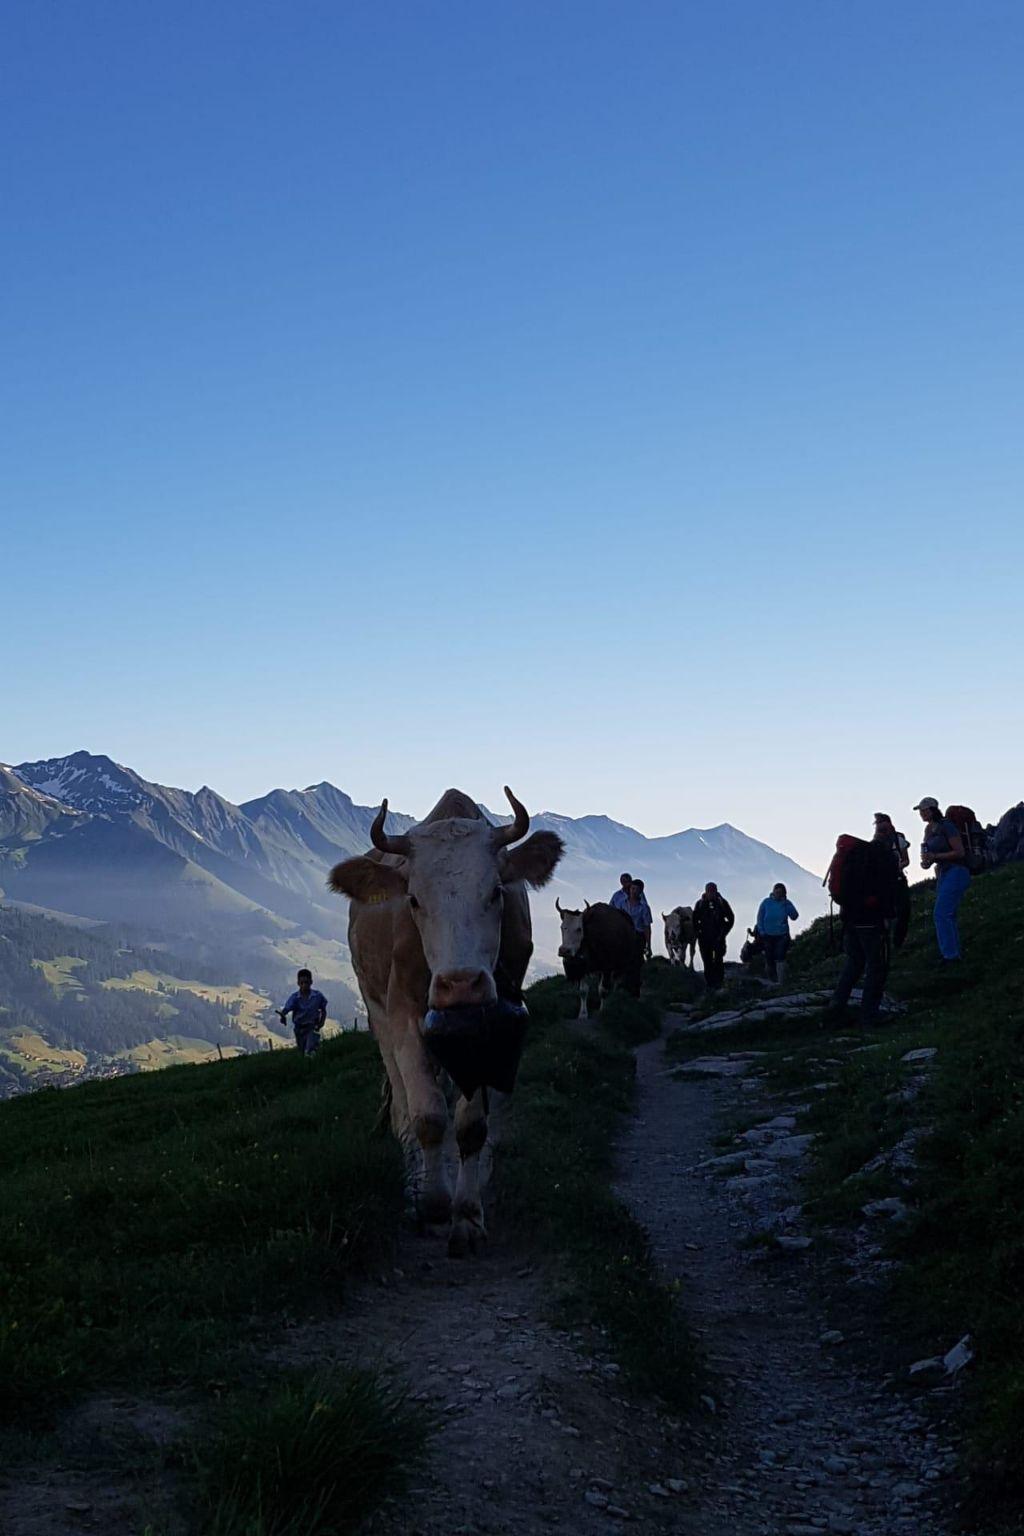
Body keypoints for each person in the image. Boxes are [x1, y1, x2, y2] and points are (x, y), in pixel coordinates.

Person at [826, 836, 899, 1025]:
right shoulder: (882, 860)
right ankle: (869, 1015)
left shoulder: (855, 857)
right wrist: (888, 917)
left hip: (850, 920)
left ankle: (835, 1008)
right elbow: (886, 893)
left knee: (854, 963)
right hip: (870, 921)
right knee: (876, 967)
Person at [915, 797, 970, 962]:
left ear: (933, 810)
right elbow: (928, 854)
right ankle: (952, 953)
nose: (921, 813)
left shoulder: (947, 826)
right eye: (920, 811)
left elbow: (960, 852)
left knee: (941, 913)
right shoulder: (928, 830)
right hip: (944, 873)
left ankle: (950, 956)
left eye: (924, 810)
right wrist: (927, 861)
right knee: (947, 914)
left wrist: (935, 856)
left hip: (957, 870)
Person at [873, 812, 911, 949]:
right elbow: (906, 861)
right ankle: (893, 942)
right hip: (894, 880)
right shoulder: (894, 839)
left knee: (899, 911)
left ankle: (891, 942)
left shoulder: (894, 840)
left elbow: (906, 860)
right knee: (899, 911)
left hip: (892, 881)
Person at [692, 881, 735, 991]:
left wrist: (724, 932)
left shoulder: (721, 903)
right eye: (709, 891)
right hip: (704, 938)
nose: (711, 893)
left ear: (716, 891)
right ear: (705, 891)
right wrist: (698, 933)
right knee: (707, 961)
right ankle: (710, 985)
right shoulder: (700, 903)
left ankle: (719, 984)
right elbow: (694, 919)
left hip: (718, 937)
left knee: (718, 960)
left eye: (713, 891)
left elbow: (731, 918)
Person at [755, 883, 799, 985]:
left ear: (784, 893)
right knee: (769, 958)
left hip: (782, 935)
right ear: (773, 891)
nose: (778, 894)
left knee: (780, 957)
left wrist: (787, 905)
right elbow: (760, 918)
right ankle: (771, 980)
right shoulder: (766, 902)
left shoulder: (786, 903)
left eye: (781, 892)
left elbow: (794, 916)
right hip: (767, 935)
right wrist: (761, 931)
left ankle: (781, 982)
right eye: (777, 892)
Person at [277, 968, 328, 1054]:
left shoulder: (317, 996)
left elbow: (323, 1009)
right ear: (298, 983)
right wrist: (282, 1016)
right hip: (299, 1029)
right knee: (302, 1051)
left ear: (311, 982)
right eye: (302, 983)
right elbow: (286, 1009)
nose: (304, 985)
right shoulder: (295, 998)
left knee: (310, 1050)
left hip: (312, 1027)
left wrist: (321, 1022)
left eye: (306, 982)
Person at [624, 878, 653, 961]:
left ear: (640, 892)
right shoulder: (622, 904)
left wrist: (648, 944)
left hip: (637, 937)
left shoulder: (644, 908)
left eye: (636, 889)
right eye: (632, 889)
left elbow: (647, 927)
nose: (633, 891)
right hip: (623, 935)